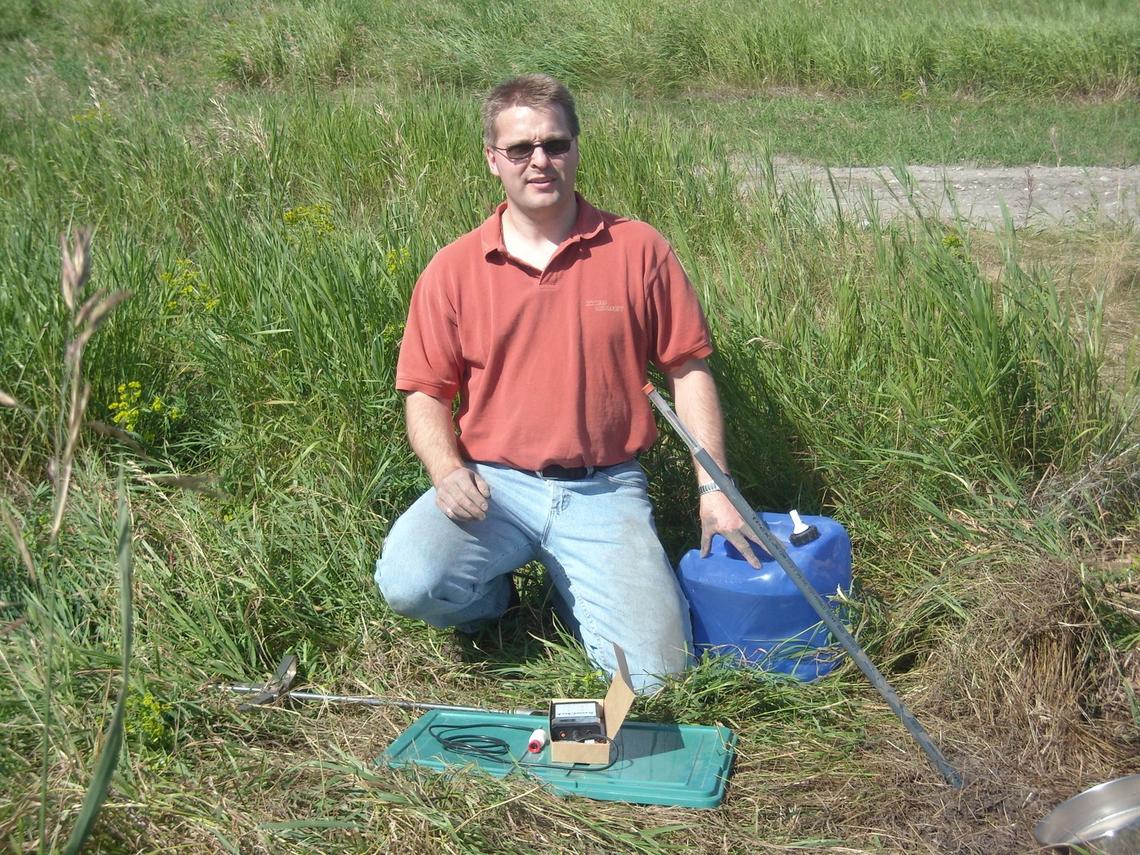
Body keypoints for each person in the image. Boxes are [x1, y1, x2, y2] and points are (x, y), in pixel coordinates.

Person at [374, 74, 760, 692]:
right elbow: (425, 392)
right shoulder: (451, 270)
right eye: (520, 149)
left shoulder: (638, 249)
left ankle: (576, 580)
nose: (539, 161)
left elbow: (687, 369)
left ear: (577, 149)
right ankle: (492, 603)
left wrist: (715, 487)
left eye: (554, 144)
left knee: (657, 680)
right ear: (492, 160)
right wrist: (447, 472)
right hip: (492, 486)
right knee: (409, 582)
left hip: (603, 491)